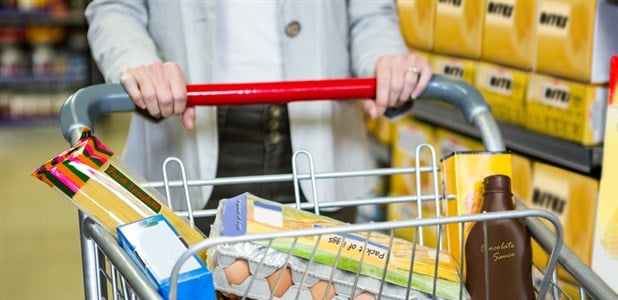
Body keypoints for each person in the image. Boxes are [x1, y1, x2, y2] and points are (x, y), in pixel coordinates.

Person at [85, 0, 432, 232]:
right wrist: (138, 66)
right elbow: (116, 7)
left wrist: (385, 64)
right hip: (188, 146)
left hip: (322, 145)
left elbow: (370, 14)